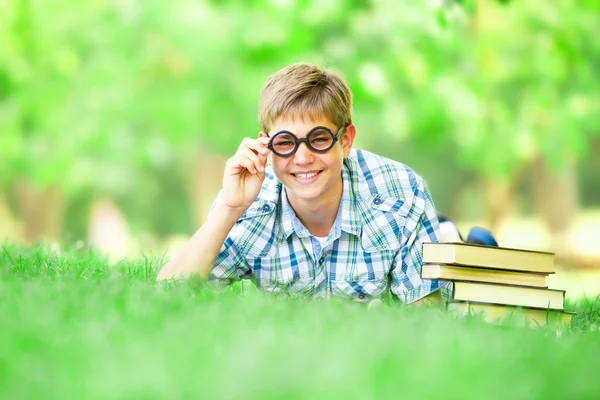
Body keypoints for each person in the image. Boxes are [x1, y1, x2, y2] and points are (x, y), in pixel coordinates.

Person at [157, 62, 450, 305]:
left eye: (319, 139)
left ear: (345, 141)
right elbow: (169, 293)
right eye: (285, 142)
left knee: (453, 250)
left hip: (404, 223)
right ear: (266, 145)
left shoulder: (400, 193)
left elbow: (426, 316)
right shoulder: (249, 204)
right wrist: (229, 208)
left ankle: (451, 233)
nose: (302, 158)